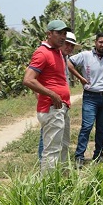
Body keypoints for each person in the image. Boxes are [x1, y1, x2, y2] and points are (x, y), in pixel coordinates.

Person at [23, 19, 72, 174]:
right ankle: (47, 188)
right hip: (52, 108)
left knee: (63, 146)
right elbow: (28, 79)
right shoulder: (42, 53)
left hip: (61, 107)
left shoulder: (57, 52)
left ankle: (62, 180)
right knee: (52, 150)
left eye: (64, 33)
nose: (63, 37)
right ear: (49, 34)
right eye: (59, 33)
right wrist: (51, 94)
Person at [68, 32, 103, 167]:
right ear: (95, 42)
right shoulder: (85, 55)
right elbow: (69, 63)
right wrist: (80, 78)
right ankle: (79, 156)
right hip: (90, 97)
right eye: (100, 42)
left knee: (101, 128)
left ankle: (98, 154)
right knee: (86, 127)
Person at [38, 31, 80, 160]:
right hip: (51, 106)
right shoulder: (47, 55)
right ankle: (43, 167)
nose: (69, 47)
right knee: (49, 142)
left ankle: (58, 172)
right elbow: (33, 79)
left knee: (60, 141)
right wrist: (46, 96)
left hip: (62, 105)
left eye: (72, 46)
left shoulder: (64, 59)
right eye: (67, 44)